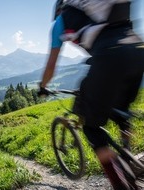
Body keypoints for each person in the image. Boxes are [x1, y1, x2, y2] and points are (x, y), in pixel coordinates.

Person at [38, 0, 144, 189]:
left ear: (59, 9)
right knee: (121, 113)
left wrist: (43, 86)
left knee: (91, 128)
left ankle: (120, 183)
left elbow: (51, 66)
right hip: (137, 50)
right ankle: (129, 159)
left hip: (109, 56)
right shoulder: (98, 7)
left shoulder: (62, 20)